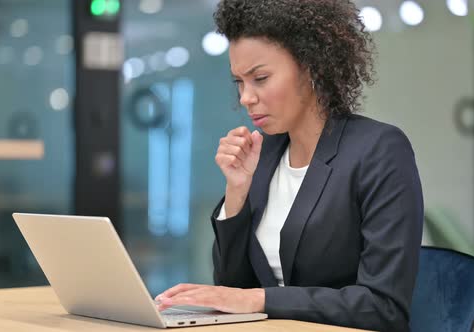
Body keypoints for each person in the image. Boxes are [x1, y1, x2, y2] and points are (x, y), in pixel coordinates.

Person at [155, 0, 423, 331]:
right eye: (239, 82)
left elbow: (383, 307)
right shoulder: (266, 154)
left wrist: (261, 300)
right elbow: (233, 287)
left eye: (260, 78)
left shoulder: (378, 150)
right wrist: (237, 192)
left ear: (311, 66)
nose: (245, 97)